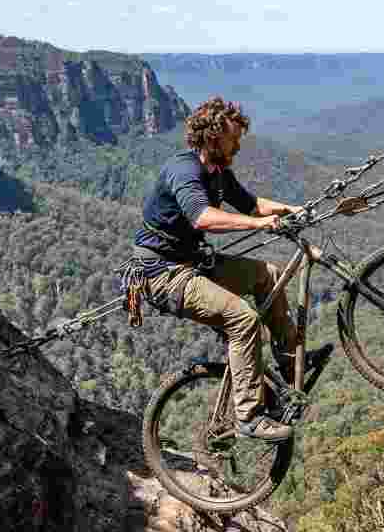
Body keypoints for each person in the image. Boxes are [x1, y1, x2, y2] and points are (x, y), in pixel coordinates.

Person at [131, 96, 325, 442]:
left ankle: (289, 359)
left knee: (269, 275)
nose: (238, 144)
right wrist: (257, 226)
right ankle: (249, 416)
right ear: (212, 136)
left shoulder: (219, 173)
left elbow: (253, 204)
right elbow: (203, 217)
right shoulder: (184, 170)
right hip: (162, 274)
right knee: (243, 319)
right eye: (233, 138)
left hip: (193, 264)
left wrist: (292, 209)